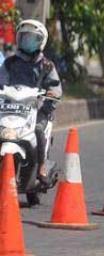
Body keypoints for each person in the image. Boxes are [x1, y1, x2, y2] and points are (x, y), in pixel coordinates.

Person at [0, 19, 62, 186]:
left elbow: (56, 89)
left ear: (41, 42)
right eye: (24, 37)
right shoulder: (10, 63)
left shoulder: (46, 66)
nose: (27, 42)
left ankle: (42, 166)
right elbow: (1, 80)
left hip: (37, 109)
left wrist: (49, 97)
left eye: (32, 38)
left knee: (38, 130)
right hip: (10, 107)